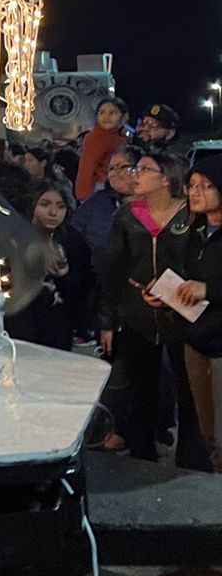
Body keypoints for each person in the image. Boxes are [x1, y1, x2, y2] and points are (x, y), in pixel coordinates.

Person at [95, 151, 208, 467]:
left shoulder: (191, 215)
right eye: (136, 168)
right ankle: (141, 451)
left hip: (184, 315)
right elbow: (112, 270)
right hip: (137, 314)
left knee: (189, 390)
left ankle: (193, 457)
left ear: (166, 177)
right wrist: (107, 320)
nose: (135, 174)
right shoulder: (127, 216)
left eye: (144, 169)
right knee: (139, 388)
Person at [3, 183, 95, 351]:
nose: (53, 213)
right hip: (19, 326)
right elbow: (4, 286)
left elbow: (84, 287)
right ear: (32, 206)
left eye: (60, 207)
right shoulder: (13, 238)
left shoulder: (72, 240)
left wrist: (65, 276)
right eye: (45, 205)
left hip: (57, 329)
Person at [174, 156, 222, 469]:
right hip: (197, 342)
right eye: (192, 185)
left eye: (206, 186)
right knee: (209, 432)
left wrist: (209, 289)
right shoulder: (195, 233)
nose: (196, 192)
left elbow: (208, 285)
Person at [75, 146, 138, 259]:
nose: (115, 173)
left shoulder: (153, 203)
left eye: (122, 167)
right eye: (111, 168)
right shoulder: (98, 201)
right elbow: (75, 232)